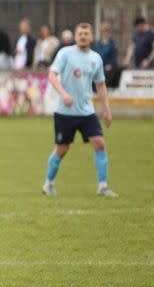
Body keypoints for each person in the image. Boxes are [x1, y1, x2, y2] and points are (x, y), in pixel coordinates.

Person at [42, 23, 117, 198]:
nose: (83, 36)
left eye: (86, 33)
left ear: (91, 37)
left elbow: (100, 84)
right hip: (64, 111)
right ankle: (49, 183)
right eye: (80, 33)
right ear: (75, 36)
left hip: (86, 112)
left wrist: (107, 110)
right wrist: (63, 94)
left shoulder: (96, 58)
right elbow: (52, 75)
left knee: (99, 142)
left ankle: (103, 186)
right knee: (62, 148)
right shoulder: (65, 54)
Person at [92, 22, 119, 88]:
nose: (105, 34)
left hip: (108, 68)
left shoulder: (113, 43)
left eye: (107, 32)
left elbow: (114, 56)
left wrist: (110, 65)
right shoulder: (97, 43)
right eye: (103, 32)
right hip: (99, 66)